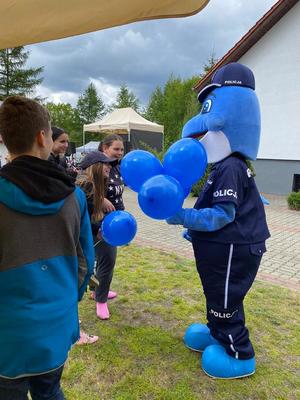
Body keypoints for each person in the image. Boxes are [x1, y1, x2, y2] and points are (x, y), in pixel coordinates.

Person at [167, 63, 270, 379]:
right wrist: (194, 230)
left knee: (225, 299)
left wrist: (183, 217)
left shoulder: (231, 168)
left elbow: (224, 215)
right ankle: (217, 334)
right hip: (223, 247)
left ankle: (240, 355)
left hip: (233, 249)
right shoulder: (225, 166)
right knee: (218, 295)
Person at [0, 96, 94, 399]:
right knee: (50, 391)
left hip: (7, 335)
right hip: (56, 325)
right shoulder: (74, 197)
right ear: (43, 136)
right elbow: (86, 262)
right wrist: (67, 301)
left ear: (5, 139)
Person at [76, 150, 119, 321]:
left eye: (110, 164)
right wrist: (98, 229)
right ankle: (100, 300)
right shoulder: (85, 184)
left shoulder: (97, 183)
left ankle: (99, 293)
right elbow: (81, 213)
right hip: (91, 232)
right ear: (94, 166)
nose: (109, 166)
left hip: (98, 230)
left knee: (103, 261)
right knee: (106, 260)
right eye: (105, 163)